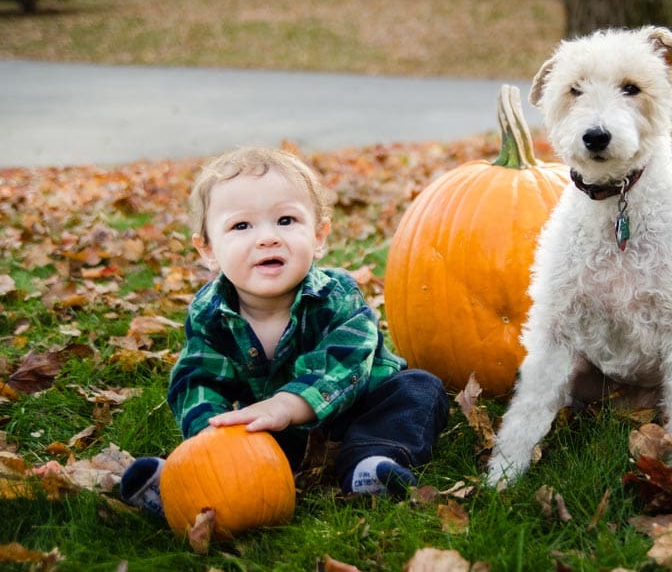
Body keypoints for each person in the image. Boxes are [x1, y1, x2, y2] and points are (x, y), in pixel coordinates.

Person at [120, 146, 449, 517]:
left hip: (353, 413)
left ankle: (370, 465)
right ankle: (184, 486)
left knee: (418, 388)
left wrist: (287, 405)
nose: (267, 238)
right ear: (208, 250)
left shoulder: (337, 296)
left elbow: (346, 366)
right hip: (272, 434)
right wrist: (210, 439)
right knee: (227, 435)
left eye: (286, 221)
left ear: (319, 235)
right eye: (241, 226)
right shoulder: (210, 313)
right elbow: (197, 379)